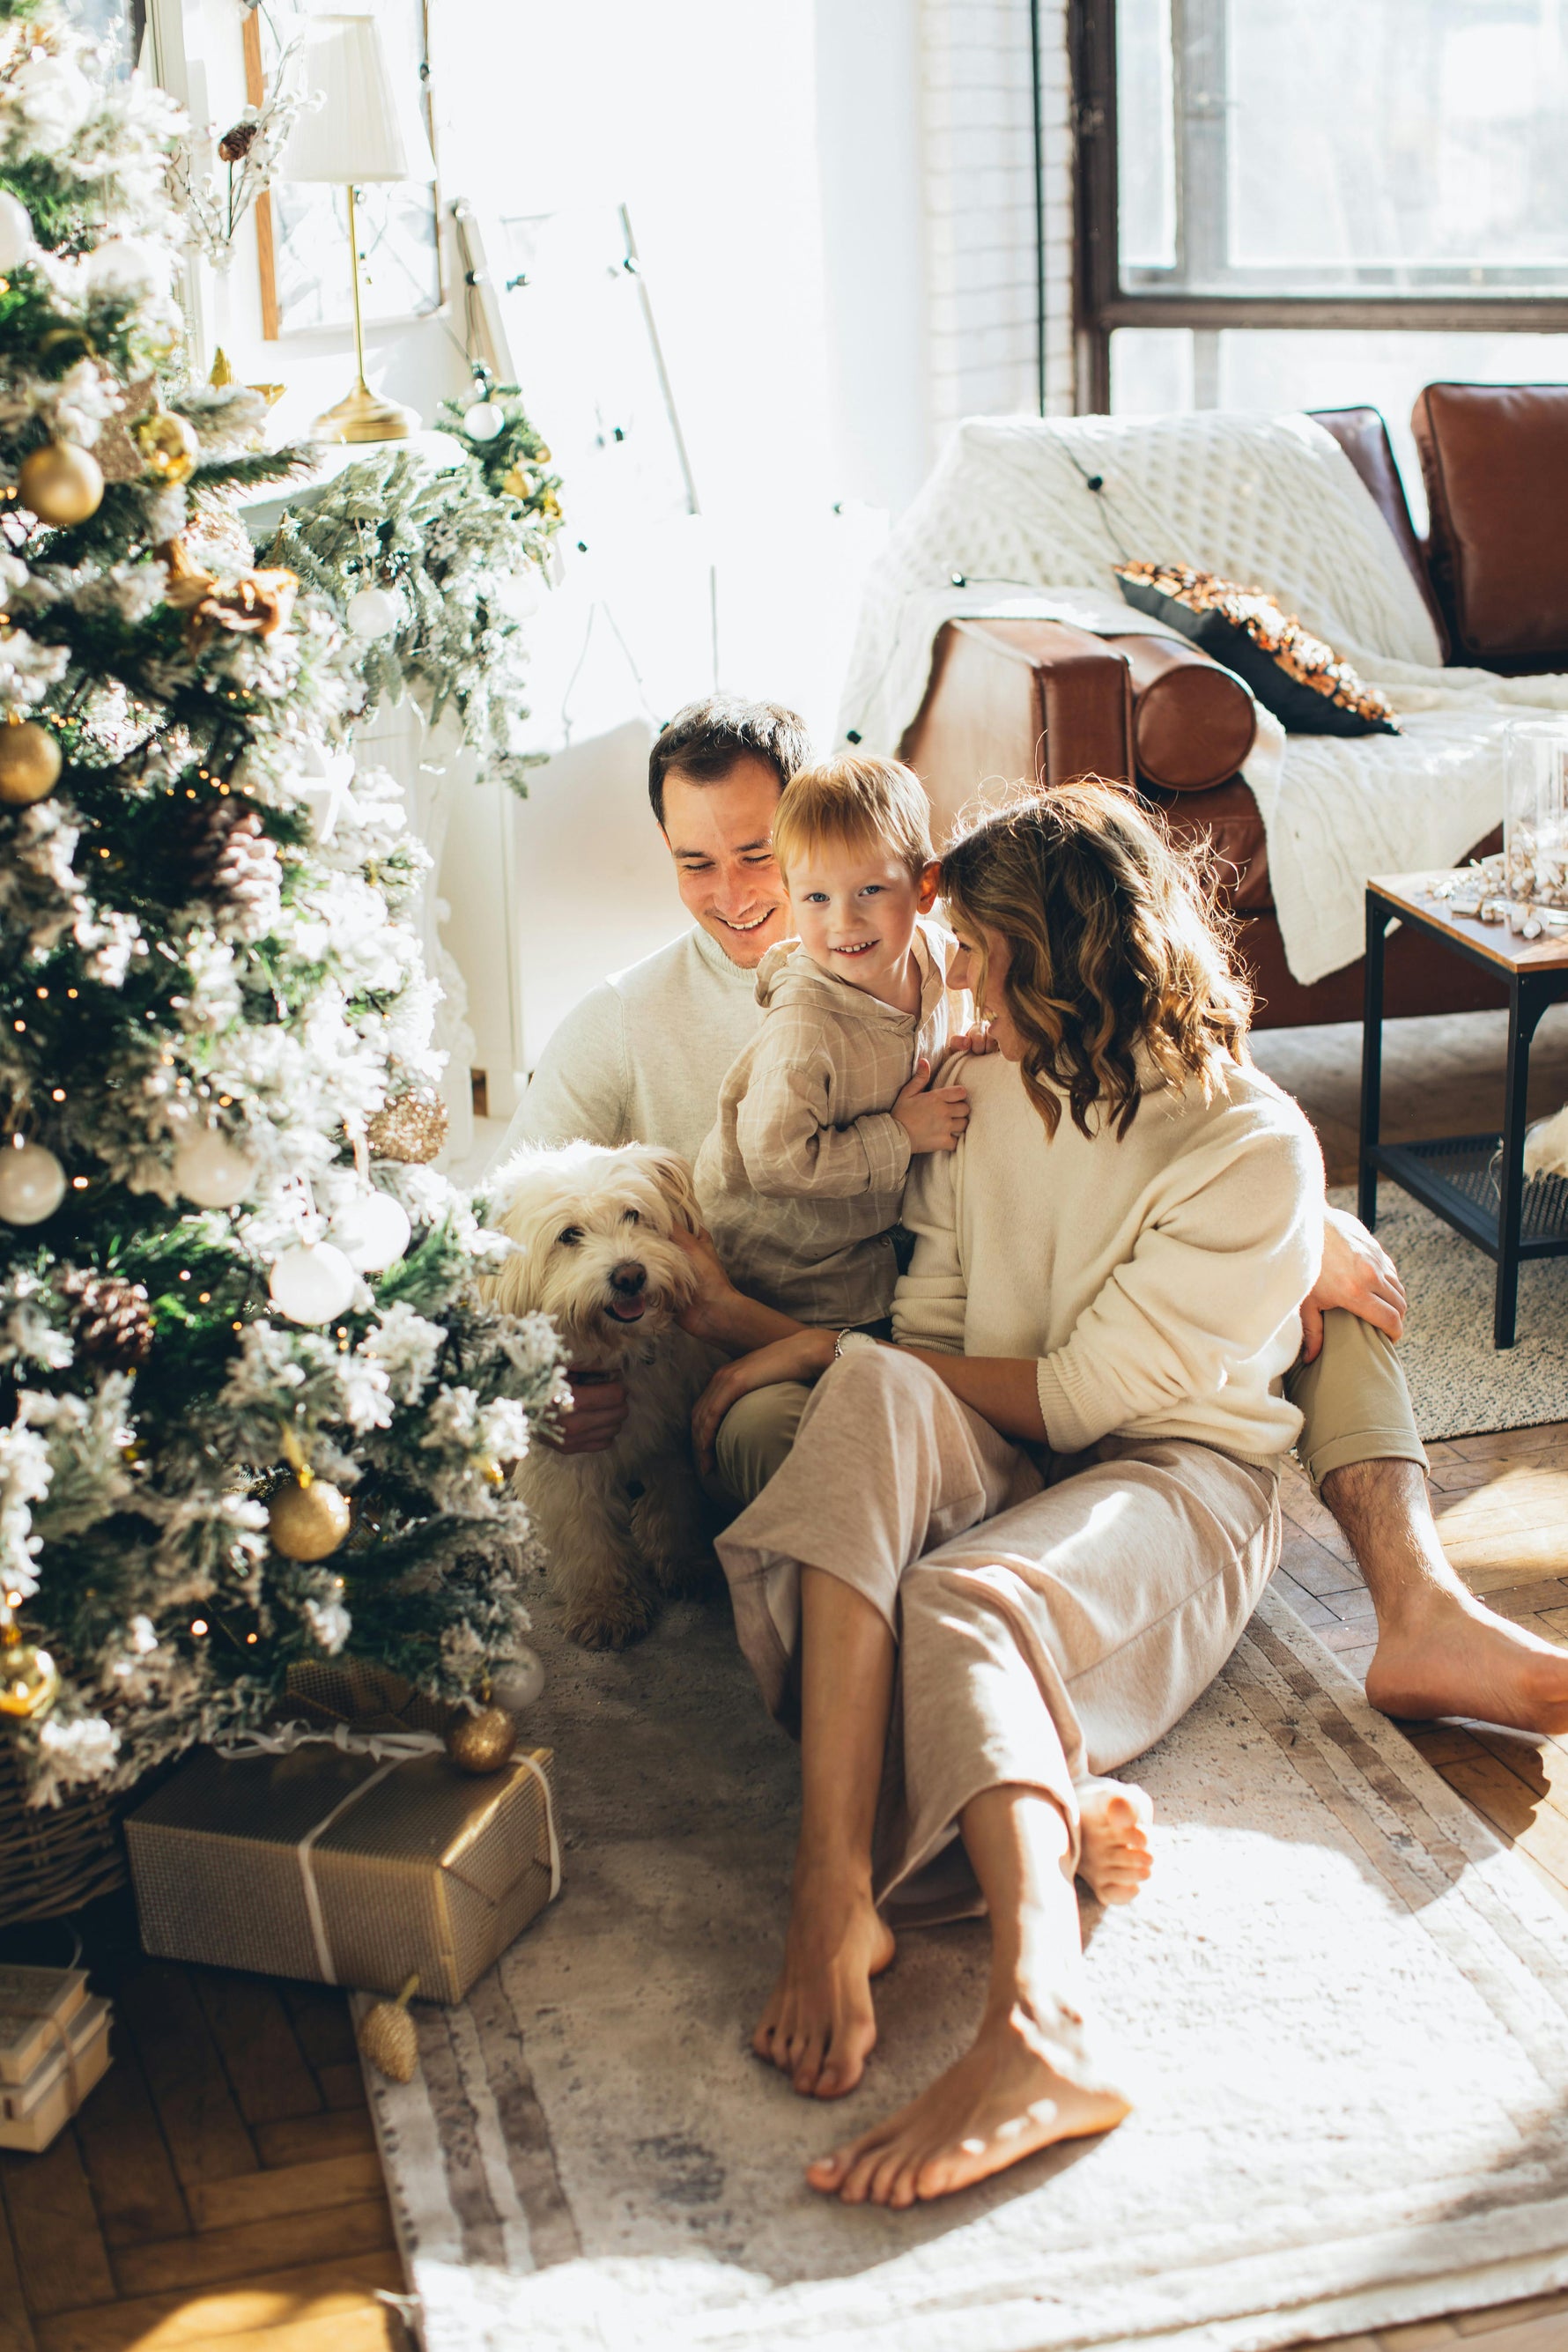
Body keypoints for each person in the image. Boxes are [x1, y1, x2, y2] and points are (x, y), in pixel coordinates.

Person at [497, 693, 1568, 1737]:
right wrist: (542, 1389)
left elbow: (1141, 1039)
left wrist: (1292, 1211)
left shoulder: (934, 956)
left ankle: (1420, 1607)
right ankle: (943, 1627)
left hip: (976, 1309)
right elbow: (501, 1250)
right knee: (794, 1434)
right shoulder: (619, 1023)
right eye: (695, 862)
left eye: (758, 856)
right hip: (799, 1339)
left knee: (1336, 1278)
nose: (738, 893)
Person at [684, 783, 1321, 2203]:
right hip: (1022, 1437)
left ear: (1063, 953)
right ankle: (835, 1885)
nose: (950, 978)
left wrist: (824, 1344)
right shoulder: (984, 1089)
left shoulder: (1252, 1146)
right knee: (873, 1396)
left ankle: (1043, 2023)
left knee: (955, 1595)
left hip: (1182, 1474)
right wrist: (858, 1364)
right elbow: (937, 1327)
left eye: (974, 948)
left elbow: (1091, 1394)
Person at [694, 752, 973, 1324]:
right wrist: (900, 1135)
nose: (844, 921)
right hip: (795, 1270)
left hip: (891, 1234)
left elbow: (982, 1003)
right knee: (857, 1357)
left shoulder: (945, 956)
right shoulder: (804, 1024)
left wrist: (983, 1037)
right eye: (817, 898)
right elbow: (776, 1161)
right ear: (791, 896)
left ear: (925, 887)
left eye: (870, 889)